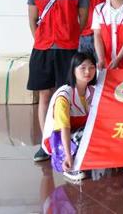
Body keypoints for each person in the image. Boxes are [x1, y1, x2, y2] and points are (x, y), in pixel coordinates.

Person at [28, 0, 90, 163]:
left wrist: (69, 36)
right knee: (44, 94)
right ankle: (46, 145)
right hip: (42, 48)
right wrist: (41, 39)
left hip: (68, 48)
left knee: (65, 93)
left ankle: (67, 141)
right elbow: (32, 19)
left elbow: (83, 19)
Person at [40, 52, 97, 183]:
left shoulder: (93, 91)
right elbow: (64, 128)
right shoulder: (64, 96)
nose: (88, 71)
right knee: (86, 133)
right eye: (83, 68)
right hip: (58, 139)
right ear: (73, 70)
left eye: (92, 67)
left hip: (76, 133)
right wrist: (67, 155)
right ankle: (71, 165)